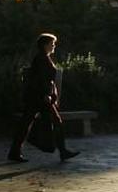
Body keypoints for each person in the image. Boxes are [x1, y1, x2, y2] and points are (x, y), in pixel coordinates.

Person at [7, 33, 80, 163]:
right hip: (40, 97)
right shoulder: (41, 59)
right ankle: (61, 150)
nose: (54, 46)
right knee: (54, 121)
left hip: (36, 97)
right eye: (52, 43)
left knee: (26, 123)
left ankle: (15, 151)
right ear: (45, 45)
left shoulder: (43, 58)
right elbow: (41, 79)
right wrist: (46, 94)